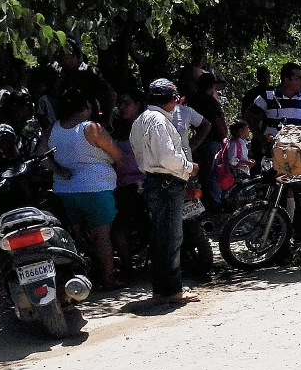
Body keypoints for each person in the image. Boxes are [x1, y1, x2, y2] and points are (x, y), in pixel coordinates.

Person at [46, 90, 125, 290]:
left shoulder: (52, 129)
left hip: (65, 190)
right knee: (102, 235)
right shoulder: (91, 128)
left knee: (78, 235)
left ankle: (87, 274)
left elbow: (41, 156)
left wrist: (59, 170)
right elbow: (117, 155)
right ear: (84, 107)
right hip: (96, 187)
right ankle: (108, 278)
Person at [131, 79, 199, 305]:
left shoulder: (141, 120)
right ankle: (171, 290)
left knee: (160, 237)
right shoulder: (159, 121)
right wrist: (189, 167)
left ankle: (161, 289)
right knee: (171, 238)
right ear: (171, 100)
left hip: (153, 182)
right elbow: (167, 158)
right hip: (166, 183)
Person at [110, 91, 148, 279]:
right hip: (125, 184)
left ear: (138, 103)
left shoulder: (149, 124)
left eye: (126, 102)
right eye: (120, 103)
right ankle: (126, 266)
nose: (121, 107)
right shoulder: (117, 127)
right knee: (119, 226)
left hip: (148, 181)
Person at [251, 62, 301, 138]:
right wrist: (260, 137)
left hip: (300, 148)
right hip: (275, 149)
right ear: (286, 80)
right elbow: (249, 116)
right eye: (299, 78)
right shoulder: (268, 96)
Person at [55, 38, 116, 129]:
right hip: (67, 124)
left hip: (91, 123)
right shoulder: (62, 75)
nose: (60, 60)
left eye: (63, 56)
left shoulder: (90, 73)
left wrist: (106, 120)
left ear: (73, 56)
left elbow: (111, 94)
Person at [190, 73, 228, 209]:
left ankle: (206, 202)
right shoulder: (208, 101)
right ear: (212, 86)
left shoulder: (194, 100)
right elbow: (217, 121)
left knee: (205, 173)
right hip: (212, 141)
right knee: (213, 173)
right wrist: (224, 137)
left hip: (200, 142)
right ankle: (214, 203)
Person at [0, 88, 41, 169]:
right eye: (27, 106)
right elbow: (15, 159)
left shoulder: (31, 126)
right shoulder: (5, 130)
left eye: (32, 105)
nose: (32, 109)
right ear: (16, 107)